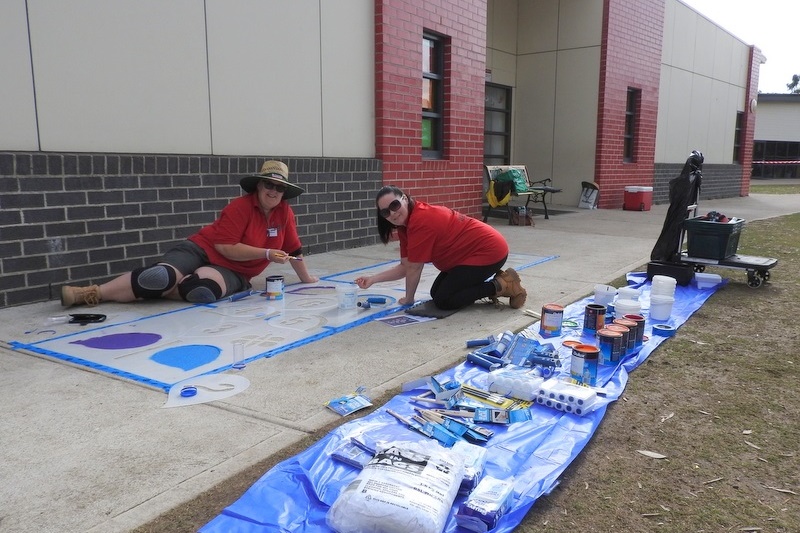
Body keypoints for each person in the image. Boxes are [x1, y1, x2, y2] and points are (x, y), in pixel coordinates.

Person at [61, 160, 319, 307]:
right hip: (202, 249)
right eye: (269, 185)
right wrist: (266, 253)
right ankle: (91, 292)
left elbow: (294, 249)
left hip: (236, 271)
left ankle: (177, 284)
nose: (273, 191)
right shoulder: (239, 207)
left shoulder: (285, 212)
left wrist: (306, 278)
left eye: (279, 188)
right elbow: (225, 247)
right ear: (259, 186)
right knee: (159, 275)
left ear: (284, 193)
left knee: (203, 291)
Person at [354, 186, 527, 310]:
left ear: (405, 199)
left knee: (444, 301)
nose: (392, 213)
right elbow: (406, 267)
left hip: (489, 252)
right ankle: (496, 283)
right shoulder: (405, 227)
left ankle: (503, 284)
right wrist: (373, 279)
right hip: (467, 256)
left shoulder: (420, 221)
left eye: (395, 205)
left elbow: (414, 268)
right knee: (436, 292)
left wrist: (409, 299)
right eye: (385, 212)